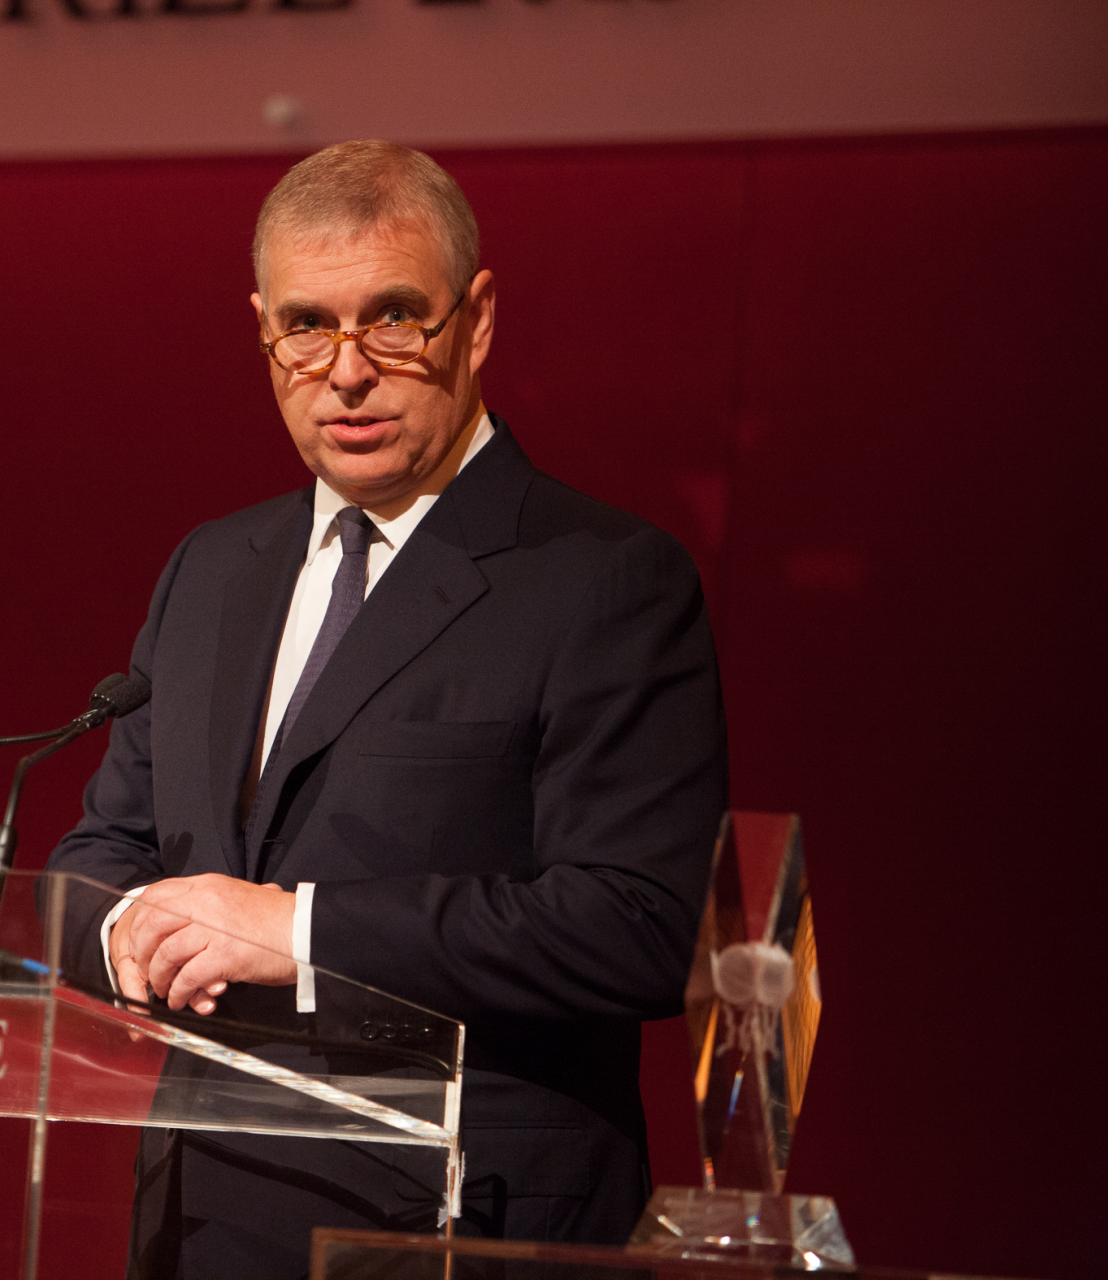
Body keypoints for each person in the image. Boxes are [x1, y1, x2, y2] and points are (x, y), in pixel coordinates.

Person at [45, 140, 727, 1279]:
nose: (348, 370)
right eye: (307, 326)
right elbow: (99, 853)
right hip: (205, 1225)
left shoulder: (605, 580)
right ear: (263, 329)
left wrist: (294, 932)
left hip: (469, 1224)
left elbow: (641, 926)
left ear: (478, 319)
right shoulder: (210, 570)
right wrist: (127, 934)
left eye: (395, 318)